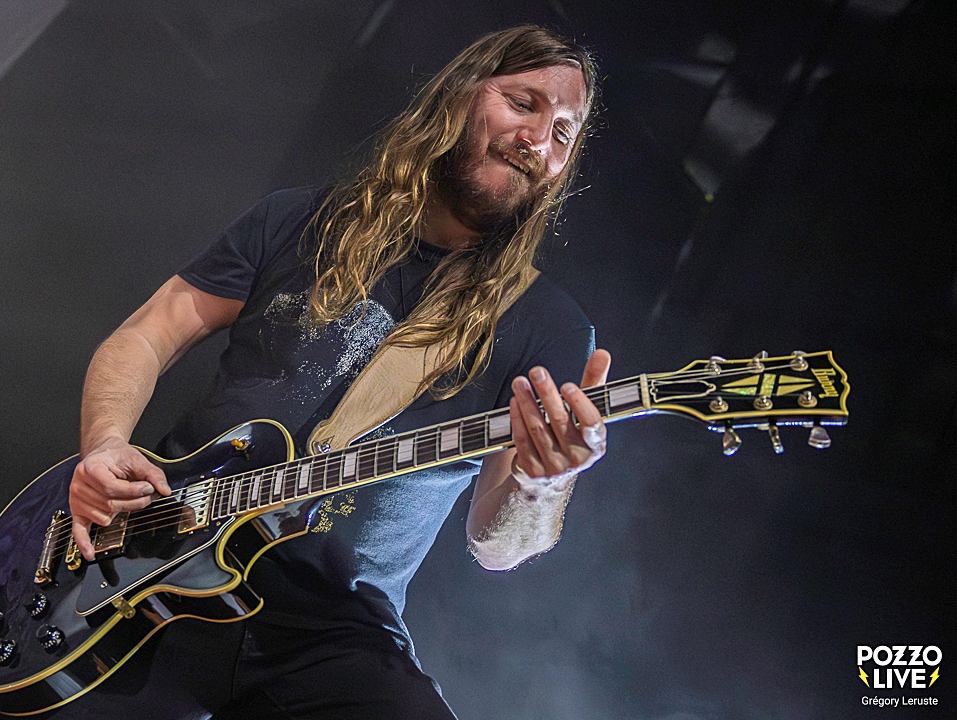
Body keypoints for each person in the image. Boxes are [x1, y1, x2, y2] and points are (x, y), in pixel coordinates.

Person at [66, 24, 611, 720]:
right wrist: (105, 444)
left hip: (329, 632)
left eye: (564, 131)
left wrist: (543, 485)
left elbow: (496, 548)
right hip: (153, 562)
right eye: (523, 103)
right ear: (458, 95)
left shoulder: (548, 327)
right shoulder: (297, 220)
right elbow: (146, 336)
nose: (538, 140)